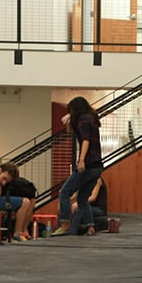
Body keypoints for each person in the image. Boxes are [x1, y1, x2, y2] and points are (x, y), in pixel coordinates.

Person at [52, 96, 103, 236]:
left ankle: (64, 223)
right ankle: (90, 227)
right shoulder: (90, 118)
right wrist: (69, 122)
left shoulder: (83, 119)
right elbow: (72, 133)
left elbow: (85, 140)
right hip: (97, 165)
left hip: (89, 164)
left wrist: (81, 160)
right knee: (82, 198)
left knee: (64, 192)